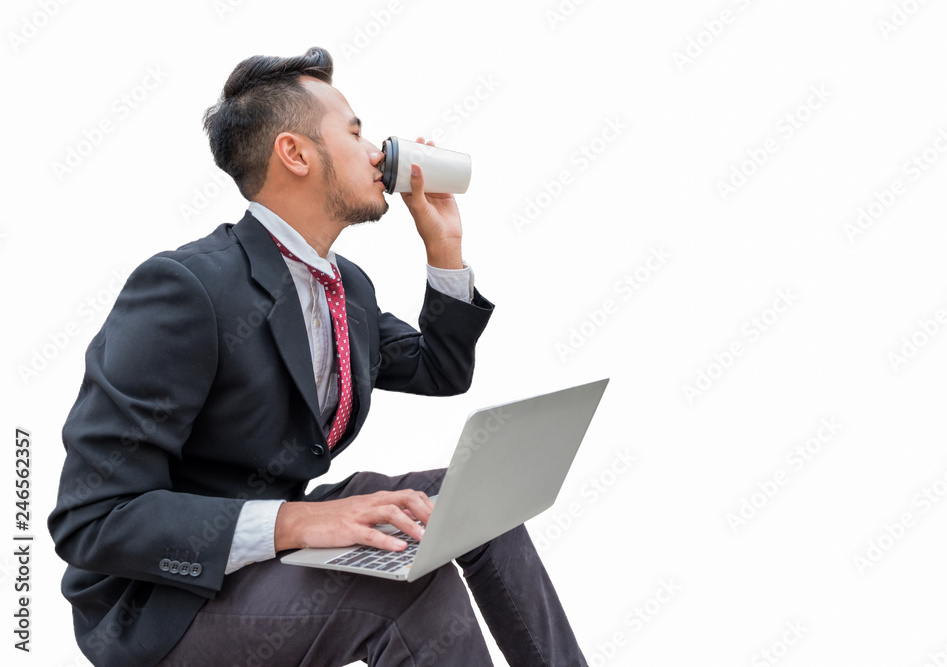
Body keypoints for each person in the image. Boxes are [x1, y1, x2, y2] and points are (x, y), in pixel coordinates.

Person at [47, 46, 588, 666]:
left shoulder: (345, 287)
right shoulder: (187, 287)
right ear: (295, 153)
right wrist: (299, 523)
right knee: (405, 587)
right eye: (356, 133)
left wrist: (445, 249)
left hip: (267, 550)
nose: (378, 153)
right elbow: (92, 520)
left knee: (472, 502)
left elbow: (440, 370)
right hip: (165, 602)